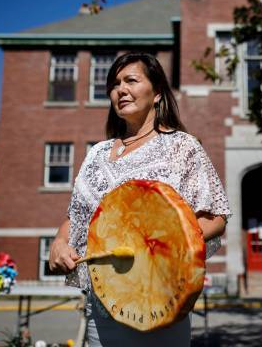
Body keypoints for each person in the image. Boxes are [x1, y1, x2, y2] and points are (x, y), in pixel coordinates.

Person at [49, 52, 231, 346]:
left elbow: (215, 217)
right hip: (102, 309)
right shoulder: (96, 154)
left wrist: (157, 244)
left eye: (131, 80)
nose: (120, 89)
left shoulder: (181, 147)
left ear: (157, 92)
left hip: (159, 304)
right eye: (115, 84)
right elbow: (76, 217)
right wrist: (59, 243)